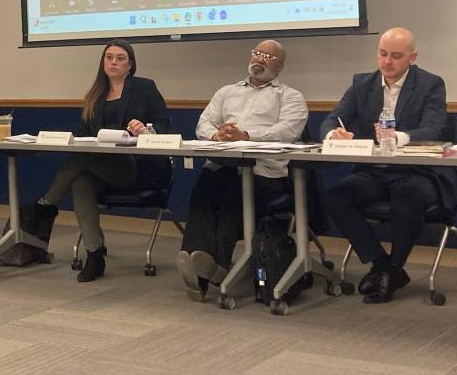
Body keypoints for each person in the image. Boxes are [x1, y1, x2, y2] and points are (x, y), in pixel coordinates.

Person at [320, 27, 457, 303]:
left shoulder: (431, 84)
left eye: (396, 56)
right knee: (336, 197)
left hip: (419, 172)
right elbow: (333, 118)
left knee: (407, 199)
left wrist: (399, 137)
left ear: (411, 57)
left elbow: (434, 127)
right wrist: (333, 132)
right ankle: (384, 266)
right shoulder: (362, 84)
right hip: (376, 171)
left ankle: (390, 270)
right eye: (383, 54)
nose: (387, 62)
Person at [176, 40, 308, 300]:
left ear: (279, 67)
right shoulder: (226, 92)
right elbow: (204, 122)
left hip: (264, 174)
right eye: (257, 53)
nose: (260, 59)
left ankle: (216, 265)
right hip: (224, 164)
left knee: (232, 196)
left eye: (268, 57)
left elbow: (287, 131)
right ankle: (197, 261)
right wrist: (217, 135)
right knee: (204, 190)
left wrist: (245, 136)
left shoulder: (290, 96)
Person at [36, 39, 171, 282]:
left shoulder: (145, 88)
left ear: (130, 64)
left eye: (120, 58)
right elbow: (85, 134)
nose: (114, 62)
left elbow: (163, 124)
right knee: (81, 183)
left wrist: (145, 129)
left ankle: (45, 206)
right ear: (103, 62)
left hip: (137, 167)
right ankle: (95, 255)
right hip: (100, 168)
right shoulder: (95, 94)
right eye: (109, 57)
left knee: (80, 161)